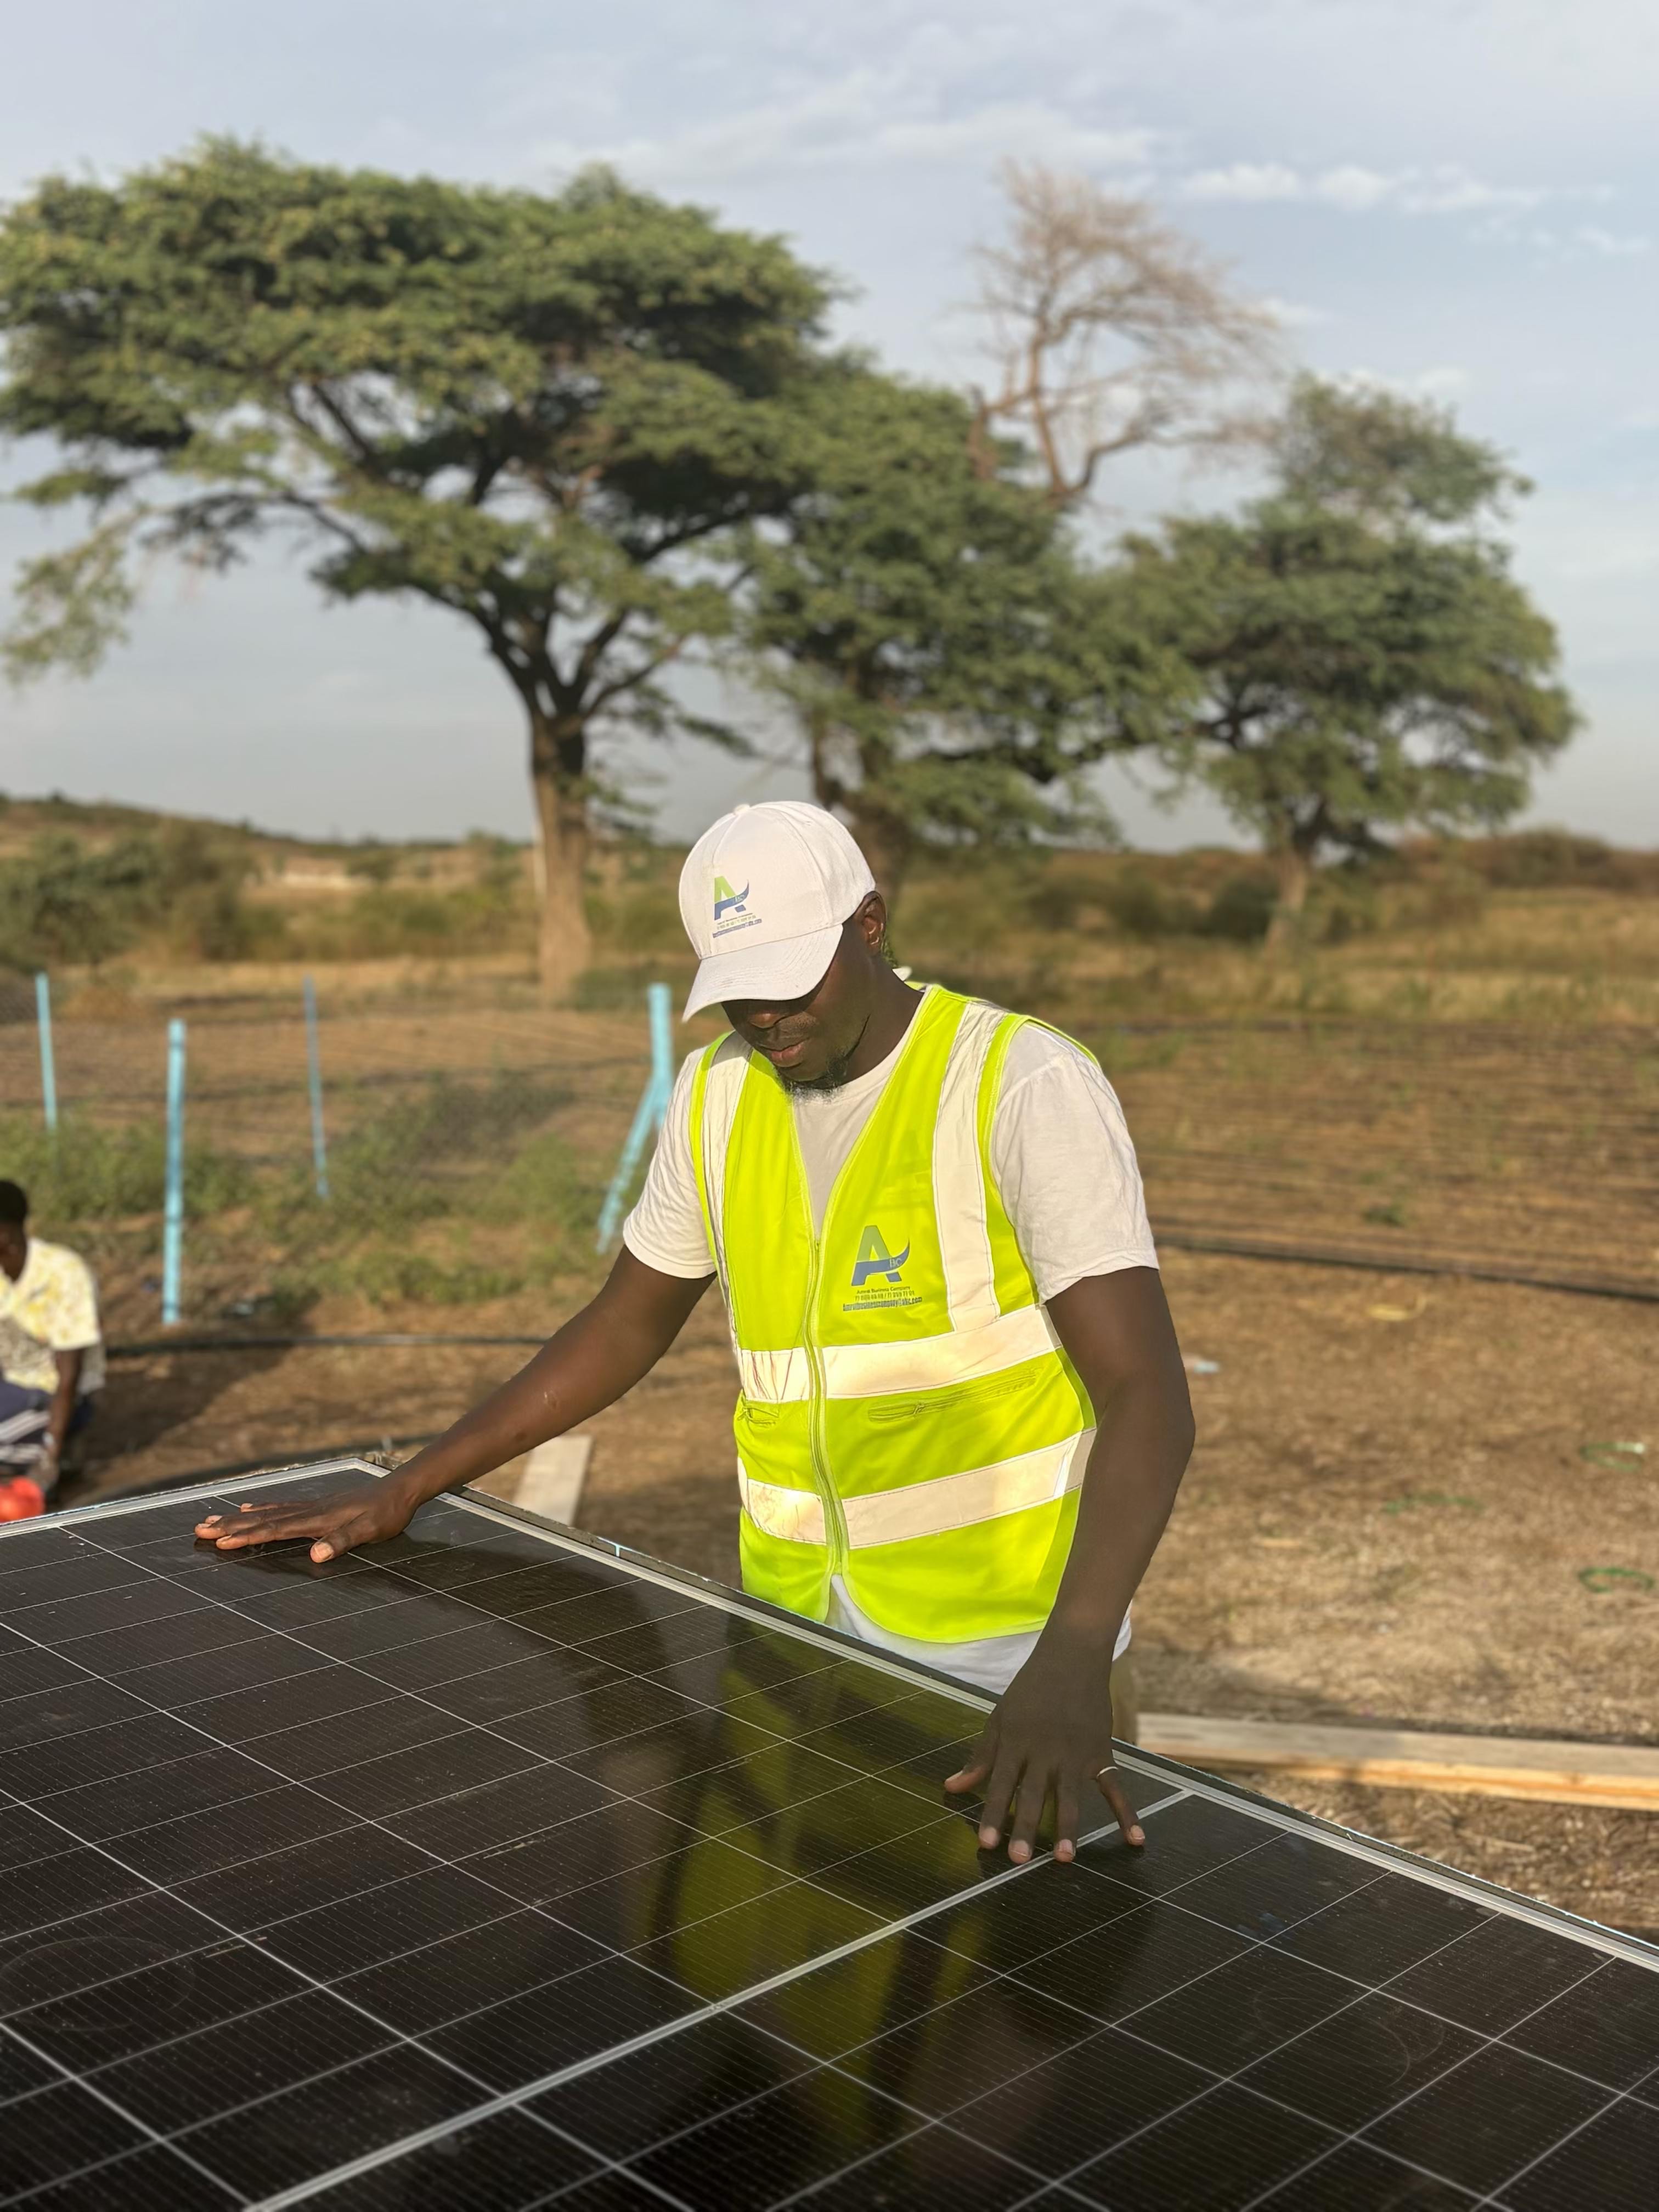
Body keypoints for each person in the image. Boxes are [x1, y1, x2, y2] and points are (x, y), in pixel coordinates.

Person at [198, 803, 1194, 1863]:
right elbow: (624, 1323)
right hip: (791, 1638)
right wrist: (408, 1485)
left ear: (868, 925)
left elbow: (1145, 1394)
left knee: (1016, 1950)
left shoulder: (1016, 1082)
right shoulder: (718, 1093)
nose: (765, 1016)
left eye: (790, 980)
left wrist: (1072, 1657)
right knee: (814, 1934)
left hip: (1006, 1663)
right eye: (738, 990)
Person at [0, 1180, 104, 1500]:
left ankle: (61, 1452)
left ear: (5, 1234)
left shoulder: (63, 1273)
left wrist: (51, 1453)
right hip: (11, 1386)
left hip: (49, 1394)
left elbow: (68, 1377)